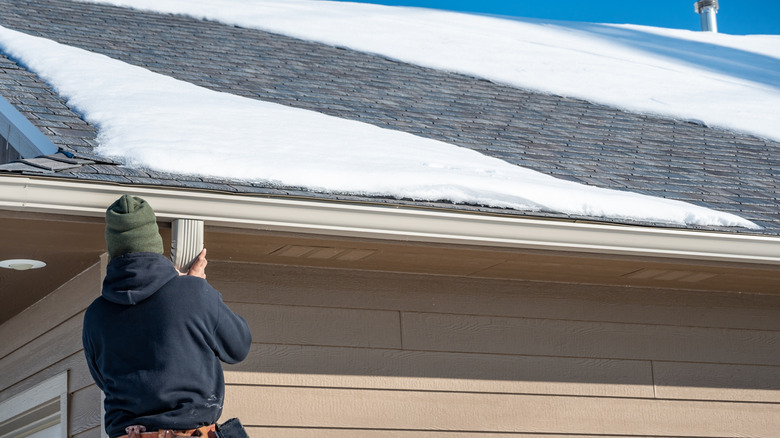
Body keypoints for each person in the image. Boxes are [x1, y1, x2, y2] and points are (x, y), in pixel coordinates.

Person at [82, 194, 252, 438]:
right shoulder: (193, 293)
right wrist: (197, 290)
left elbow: (104, 380)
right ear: (154, 244)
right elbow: (239, 346)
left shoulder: (96, 315)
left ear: (113, 250)